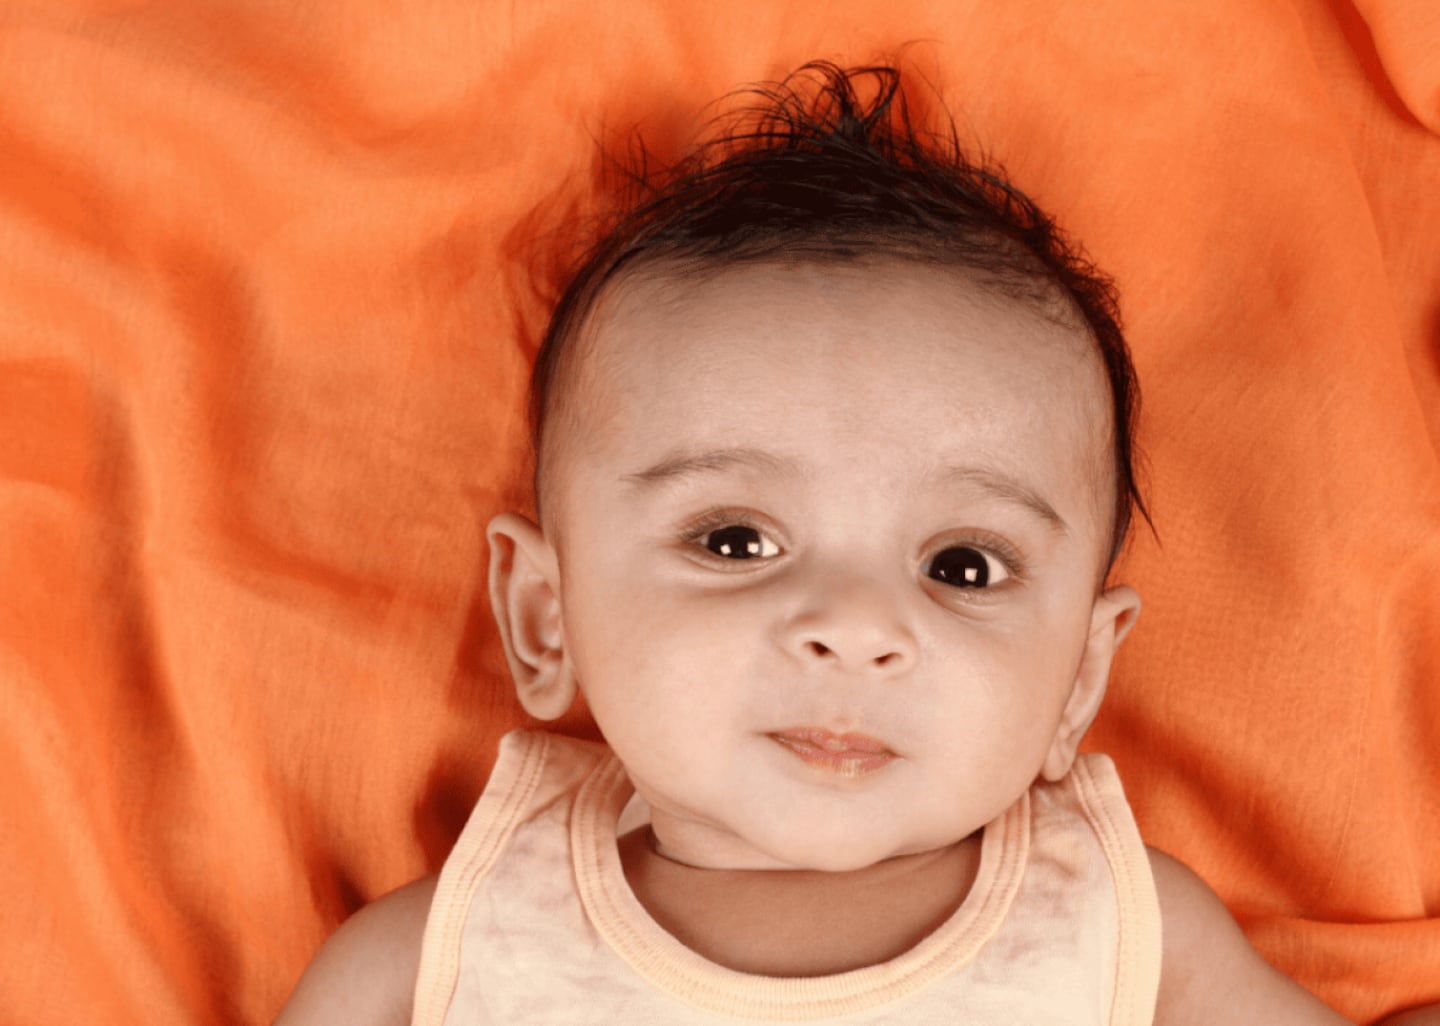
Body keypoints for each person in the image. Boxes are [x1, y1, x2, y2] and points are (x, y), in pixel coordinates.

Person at [275, 61, 1426, 1025]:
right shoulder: (444, 951)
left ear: (1079, 675)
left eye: (962, 567)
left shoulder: (1122, 925)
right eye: (735, 540)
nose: (856, 627)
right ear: (544, 616)